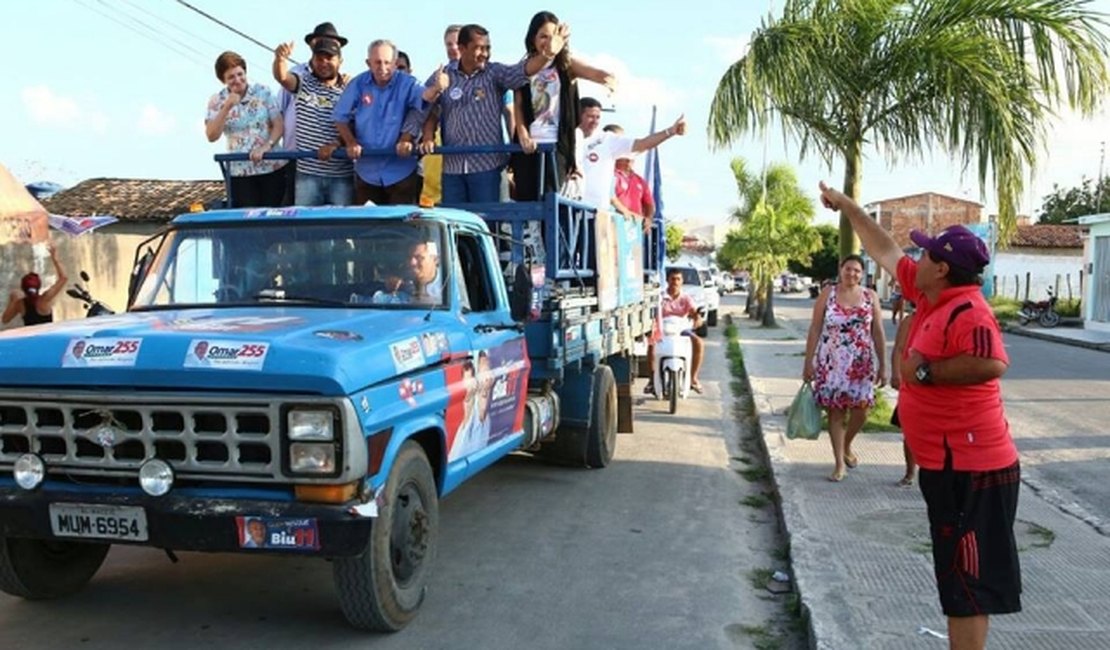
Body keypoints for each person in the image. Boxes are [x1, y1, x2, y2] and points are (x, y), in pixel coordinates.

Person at [819, 181, 1020, 650]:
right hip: (948, 468)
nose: (916, 258)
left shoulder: (969, 311)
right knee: (956, 581)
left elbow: (993, 363)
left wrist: (925, 371)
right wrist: (848, 207)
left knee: (968, 585)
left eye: (927, 254)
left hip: (974, 470)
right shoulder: (933, 294)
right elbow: (884, 247)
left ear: (943, 269)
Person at [418, 23, 570, 203]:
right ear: (462, 48)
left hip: (487, 168)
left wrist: (548, 55)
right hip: (452, 169)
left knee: (487, 227)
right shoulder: (443, 75)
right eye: (478, 48)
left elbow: (523, 70)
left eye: (487, 48)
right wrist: (428, 136)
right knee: (457, 224)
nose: (484, 53)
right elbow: (429, 109)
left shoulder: (495, 73)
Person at [509, 11, 616, 202]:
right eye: (543, 36)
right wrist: (523, 134)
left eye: (553, 37)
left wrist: (608, 79)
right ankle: (531, 232)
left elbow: (594, 72)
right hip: (529, 145)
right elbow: (518, 103)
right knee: (526, 197)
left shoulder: (566, 64)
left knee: (550, 198)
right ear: (532, 37)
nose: (548, 42)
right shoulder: (525, 66)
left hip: (556, 144)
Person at [803, 254, 886, 482]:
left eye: (857, 270)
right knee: (836, 412)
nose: (852, 274)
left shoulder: (870, 297)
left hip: (861, 363)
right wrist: (808, 361)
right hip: (832, 363)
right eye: (848, 269)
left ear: (862, 273)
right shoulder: (827, 294)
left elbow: (878, 331)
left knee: (862, 410)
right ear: (841, 269)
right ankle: (839, 462)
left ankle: (847, 444)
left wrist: (883, 365)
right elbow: (814, 329)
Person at [335, 39, 443, 205]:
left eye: (387, 62)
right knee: (367, 228)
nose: (382, 68)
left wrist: (437, 87)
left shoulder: (408, 83)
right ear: (368, 63)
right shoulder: (357, 84)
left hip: (401, 171)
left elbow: (426, 98)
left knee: (401, 228)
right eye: (377, 62)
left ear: (394, 63)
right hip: (366, 171)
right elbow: (340, 116)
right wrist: (350, 142)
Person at [273, 24, 354, 206]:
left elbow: (356, 127)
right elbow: (283, 78)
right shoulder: (303, 82)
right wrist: (280, 59)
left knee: (343, 227)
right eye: (319, 57)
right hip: (307, 174)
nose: (324, 62)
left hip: (341, 174)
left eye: (329, 57)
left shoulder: (350, 88)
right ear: (312, 59)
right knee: (306, 228)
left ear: (340, 61)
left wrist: (335, 144)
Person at [205, 51, 287, 208]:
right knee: (247, 217)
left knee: (273, 216)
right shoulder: (217, 100)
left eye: (240, 74)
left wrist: (266, 146)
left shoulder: (263, 92)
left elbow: (279, 124)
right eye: (231, 77)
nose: (237, 80)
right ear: (223, 80)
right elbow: (211, 135)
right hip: (240, 171)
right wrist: (227, 106)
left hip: (271, 166)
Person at [576, 98, 684, 212]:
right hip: (568, 205)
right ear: (579, 114)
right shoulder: (564, 136)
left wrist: (670, 132)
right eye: (590, 116)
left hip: (596, 211)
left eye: (597, 117)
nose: (595, 121)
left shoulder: (606, 139)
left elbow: (643, 143)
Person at [645, 267, 704, 396]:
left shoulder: (686, 299)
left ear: (682, 281)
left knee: (698, 342)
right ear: (667, 280)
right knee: (651, 345)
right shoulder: (660, 297)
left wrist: (697, 320)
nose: (675, 282)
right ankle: (651, 380)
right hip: (662, 329)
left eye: (678, 279)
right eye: (673, 279)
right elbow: (652, 313)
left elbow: (694, 313)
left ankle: (693, 378)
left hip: (681, 330)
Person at [3, 243, 67, 326]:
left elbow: (5, 319)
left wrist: (12, 301)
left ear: (22, 287)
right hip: (48, 336)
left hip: (31, 338)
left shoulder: (20, 304)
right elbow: (64, 278)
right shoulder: (45, 299)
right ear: (39, 286)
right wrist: (55, 258)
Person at [889, 310, 917, 487]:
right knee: (910, 431)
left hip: (937, 385)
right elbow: (899, 348)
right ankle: (910, 472)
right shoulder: (910, 320)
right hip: (911, 382)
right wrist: (896, 373)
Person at [407, 240, 443, 305]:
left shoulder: (449, 286)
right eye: (409, 257)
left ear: (435, 259)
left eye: (419, 257)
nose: (412, 262)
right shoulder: (403, 283)